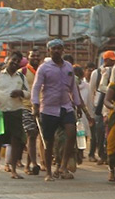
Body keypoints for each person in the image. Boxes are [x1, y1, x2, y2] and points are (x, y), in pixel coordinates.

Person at [31, 39, 90, 181]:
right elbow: (36, 87)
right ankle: (49, 172)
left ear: (63, 50)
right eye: (54, 49)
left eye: (59, 48)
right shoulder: (44, 68)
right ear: (49, 51)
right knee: (48, 142)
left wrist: (78, 105)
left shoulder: (69, 67)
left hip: (66, 107)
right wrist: (35, 105)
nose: (56, 51)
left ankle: (63, 166)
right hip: (49, 109)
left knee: (71, 133)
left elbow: (73, 88)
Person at [0, 51, 28, 178]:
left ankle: (13, 170)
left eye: (17, 61)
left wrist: (20, 92)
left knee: (16, 141)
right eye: (13, 60)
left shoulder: (21, 77)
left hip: (16, 112)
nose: (15, 63)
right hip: (0, 112)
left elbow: (28, 93)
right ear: (7, 59)